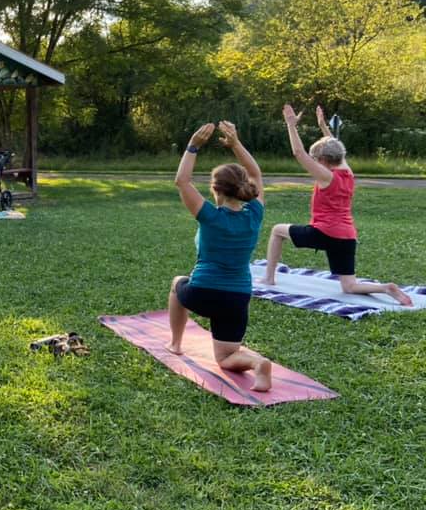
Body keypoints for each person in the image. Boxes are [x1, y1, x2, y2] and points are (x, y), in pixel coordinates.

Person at [259, 105, 412, 306]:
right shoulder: (347, 172)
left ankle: (269, 278)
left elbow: (299, 153)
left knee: (277, 230)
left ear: (323, 160)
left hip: (324, 232)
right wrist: (323, 126)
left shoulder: (326, 176)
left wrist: (291, 125)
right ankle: (386, 288)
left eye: (316, 160)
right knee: (349, 286)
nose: (313, 162)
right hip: (347, 236)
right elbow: (336, 147)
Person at [167, 121, 272, 392]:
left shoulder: (210, 216)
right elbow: (256, 174)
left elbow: (182, 181)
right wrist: (235, 143)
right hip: (237, 298)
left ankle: (176, 343)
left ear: (216, 189)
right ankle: (258, 363)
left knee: (178, 281)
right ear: (243, 189)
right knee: (226, 358)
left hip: (202, 292)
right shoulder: (254, 216)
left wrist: (193, 145)